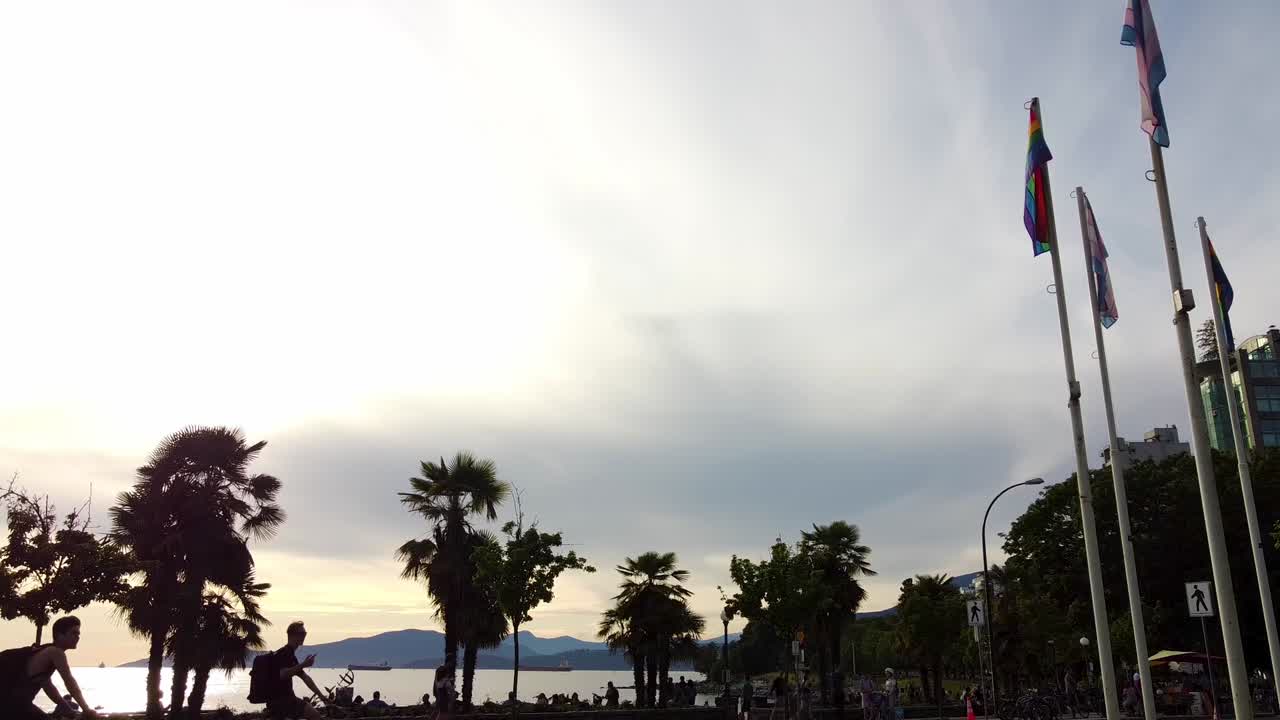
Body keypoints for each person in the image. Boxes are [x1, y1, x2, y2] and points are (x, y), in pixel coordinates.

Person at [0, 616, 98, 720]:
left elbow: (49, 688)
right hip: (13, 705)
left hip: (13, 704)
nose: (78, 637)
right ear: (59, 635)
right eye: (73, 633)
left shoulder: (44, 652)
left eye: (78, 634)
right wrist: (86, 709)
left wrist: (70, 711)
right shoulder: (55, 652)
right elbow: (69, 681)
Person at [268, 621, 328, 720]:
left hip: (281, 700)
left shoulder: (291, 655)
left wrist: (322, 696)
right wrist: (304, 664)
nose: (304, 636)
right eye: (302, 634)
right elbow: (283, 674)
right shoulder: (284, 653)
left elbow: (306, 678)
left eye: (305, 634)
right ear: (292, 635)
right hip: (284, 700)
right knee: (316, 716)